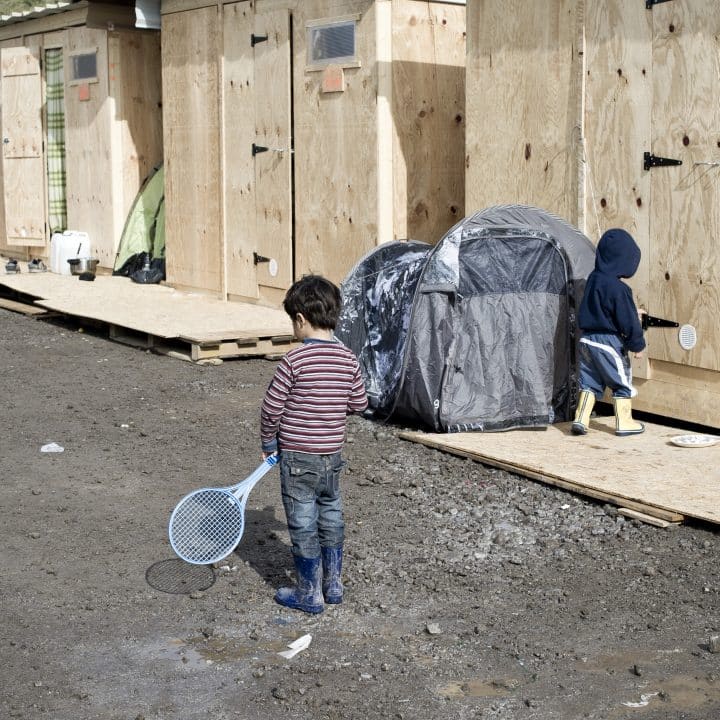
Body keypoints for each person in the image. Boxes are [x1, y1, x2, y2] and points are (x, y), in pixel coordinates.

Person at [260, 274, 368, 613]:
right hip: (331, 457)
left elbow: (271, 408)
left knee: (303, 520)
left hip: (296, 459)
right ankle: (332, 584)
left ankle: (309, 593)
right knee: (331, 512)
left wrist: (268, 442)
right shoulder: (349, 359)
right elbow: (360, 404)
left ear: (301, 320)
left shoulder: (293, 361)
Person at [571, 228, 646, 437]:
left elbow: (601, 307)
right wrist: (637, 345)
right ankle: (624, 422)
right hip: (608, 343)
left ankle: (581, 419)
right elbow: (627, 321)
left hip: (586, 340)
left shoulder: (593, 279)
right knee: (621, 382)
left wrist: (630, 309)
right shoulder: (620, 289)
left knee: (589, 383)